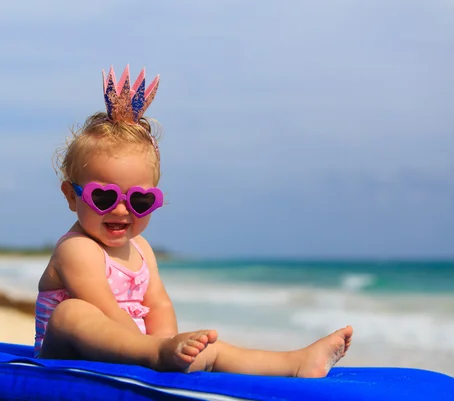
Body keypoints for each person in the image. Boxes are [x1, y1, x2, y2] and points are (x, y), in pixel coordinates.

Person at [35, 65, 353, 376]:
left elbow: (158, 304)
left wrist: (167, 343)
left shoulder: (142, 249)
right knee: (73, 313)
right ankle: (155, 355)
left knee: (211, 349)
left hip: (140, 350)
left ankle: (295, 364)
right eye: (103, 197)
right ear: (71, 195)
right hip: (68, 353)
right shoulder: (77, 249)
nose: (121, 210)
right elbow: (106, 309)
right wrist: (154, 351)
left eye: (139, 200)